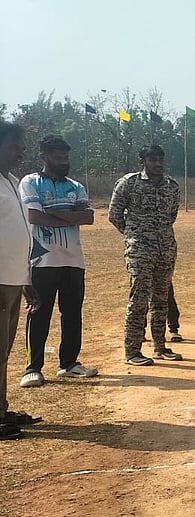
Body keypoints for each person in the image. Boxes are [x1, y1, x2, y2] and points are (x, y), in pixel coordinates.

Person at [18, 134, 98, 388]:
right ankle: (33, 368)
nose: (63, 161)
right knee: (39, 313)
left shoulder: (75, 186)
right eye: (58, 157)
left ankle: (69, 364)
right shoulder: (30, 182)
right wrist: (70, 215)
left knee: (72, 313)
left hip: (74, 260)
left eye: (65, 157)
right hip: (43, 260)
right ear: (44, 156)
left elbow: (88, 218)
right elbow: (34, 217)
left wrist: (52, 212)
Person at [109, 144, 181, 366]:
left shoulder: (171, 186)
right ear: (143, 161)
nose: (158, 164)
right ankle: (132, 351)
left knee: (161, 299)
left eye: (160, 159)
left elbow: (172, 215)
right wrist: (134, 235)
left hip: (165, 249)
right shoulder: (129, 183)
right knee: (139, 299)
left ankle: (160, 346)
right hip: (140, 251)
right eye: (152, 160)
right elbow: (114, 214)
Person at [0, 122, 42, 440]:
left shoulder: (12, 182)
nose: (21, 152)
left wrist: (26, 280)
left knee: (3, 349)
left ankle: (1, 409)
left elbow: (19, 234)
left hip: (13, 280)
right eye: (15, 146)